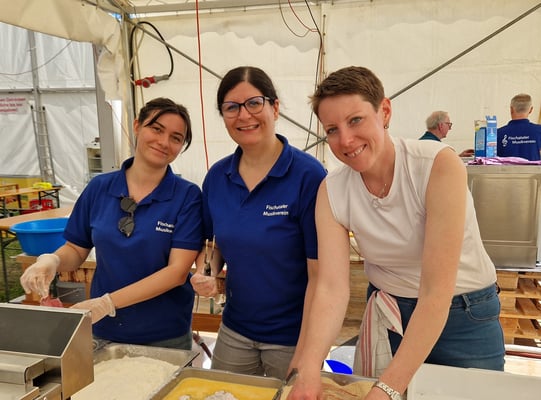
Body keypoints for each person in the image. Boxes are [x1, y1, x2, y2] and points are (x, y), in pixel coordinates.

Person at [287, 66, 504, 400]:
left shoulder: (436, 165)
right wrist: (310, 367)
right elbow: (331, 288)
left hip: (463, 317)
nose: (345, 140)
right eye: (332, 130)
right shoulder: (332, 190)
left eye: (356, 120)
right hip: (390, 314)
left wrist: (386, 388)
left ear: (384, 111)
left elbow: (435, 292)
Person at [20, 97, 203, 349]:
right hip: (103, 330)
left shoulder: (187, 196)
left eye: (176, 138)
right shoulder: (99, 188)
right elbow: (76, 249)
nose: (163, 142)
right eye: (156, 129)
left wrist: (107, 303)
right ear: (137, 126)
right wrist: (52, 260)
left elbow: (177, 272)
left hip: (164, 334)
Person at [190, 66, 327, 380]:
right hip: (235, 330)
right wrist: (206, 272)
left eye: (254, 103)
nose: (244, 115)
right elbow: (213, 245)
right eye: (231, 107)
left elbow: (320, 275)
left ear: (274, 107)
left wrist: (309, 350)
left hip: (293, 336)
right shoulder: (218, 177)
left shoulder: (308, 176)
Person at [497, 93, 541, 160]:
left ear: (511, 109)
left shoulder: (497, 134)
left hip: (505, 167)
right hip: (533, 167)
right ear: (531, 110)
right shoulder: (539, 131)